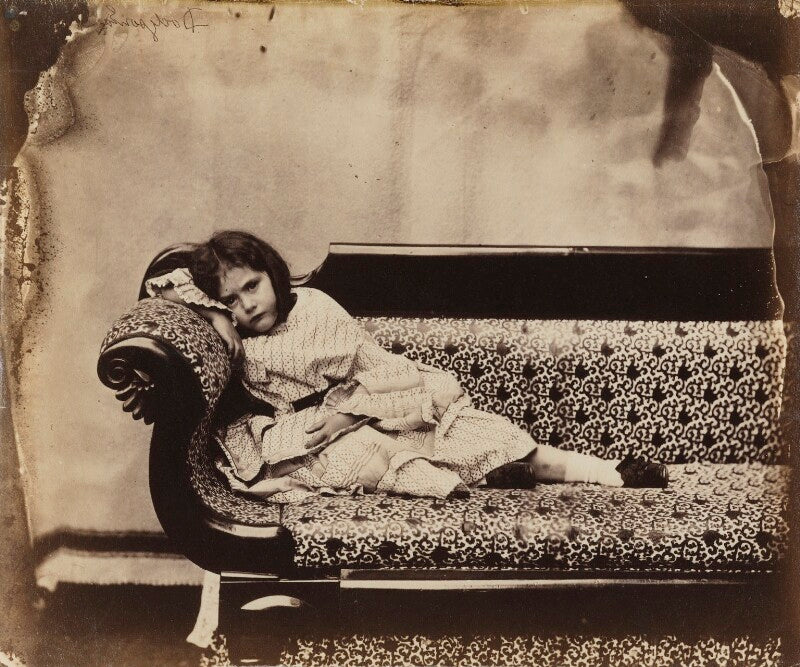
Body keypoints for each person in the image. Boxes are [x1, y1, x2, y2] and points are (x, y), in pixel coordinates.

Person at [145, 230, 668, 503]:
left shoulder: (316, 307)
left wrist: (351, 413)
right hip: (308, 435)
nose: (248, 304)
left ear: (271, 273)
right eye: (231, 300)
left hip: (376, 400)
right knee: (377, 460)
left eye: (252, 286)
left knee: (486, 434)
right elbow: (160, 286)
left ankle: (608, 472)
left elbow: (371, 369)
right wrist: (216, 318)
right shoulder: (235, 336)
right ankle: (485, 478)